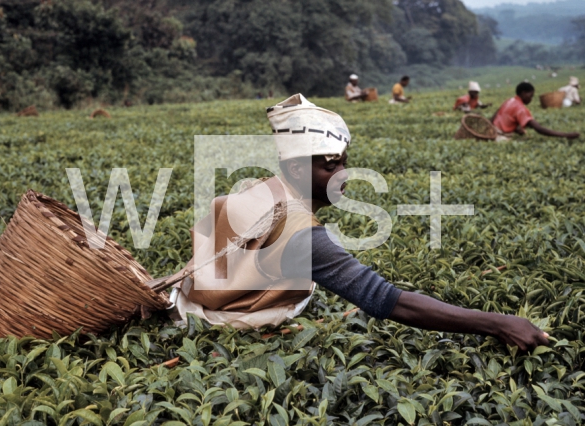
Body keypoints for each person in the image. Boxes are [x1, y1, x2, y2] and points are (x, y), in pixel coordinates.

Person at [158, 93, 549, 351]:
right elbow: (383, 299)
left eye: (343, 163)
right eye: (331, 166)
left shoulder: (260, 187)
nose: (344, 174)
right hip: (226, 326)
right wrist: (498, 323)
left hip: (195, 302)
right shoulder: (300, 233)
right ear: (295, 167)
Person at [491, 82, 579, 140]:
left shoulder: (509, 100)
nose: (531, 99)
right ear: (523, 93)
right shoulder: (520, 108)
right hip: (499, 137)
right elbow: (539, 129)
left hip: (491, 132)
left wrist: (515, 130)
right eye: (531, 96)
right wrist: (566, 135)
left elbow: (496, 117)